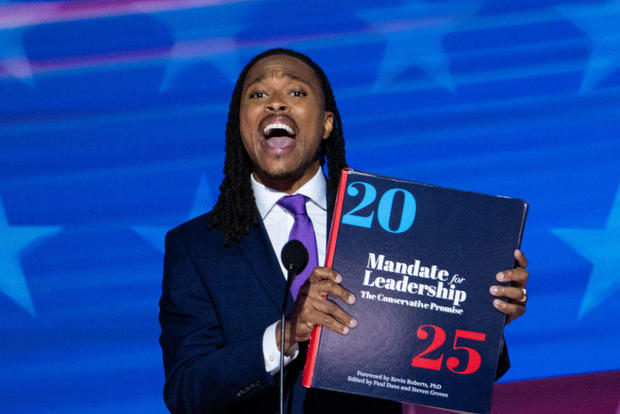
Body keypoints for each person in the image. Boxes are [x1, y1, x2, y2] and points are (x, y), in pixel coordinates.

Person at [158, 48, 529, 414]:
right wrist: (284, 335)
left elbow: (463, 370)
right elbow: (185, 391)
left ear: (326, 124)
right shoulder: (195, 247)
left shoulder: (390, 223)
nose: (276, 105)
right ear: (240, 125)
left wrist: (483, 316)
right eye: (258, 95)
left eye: (296, 92)